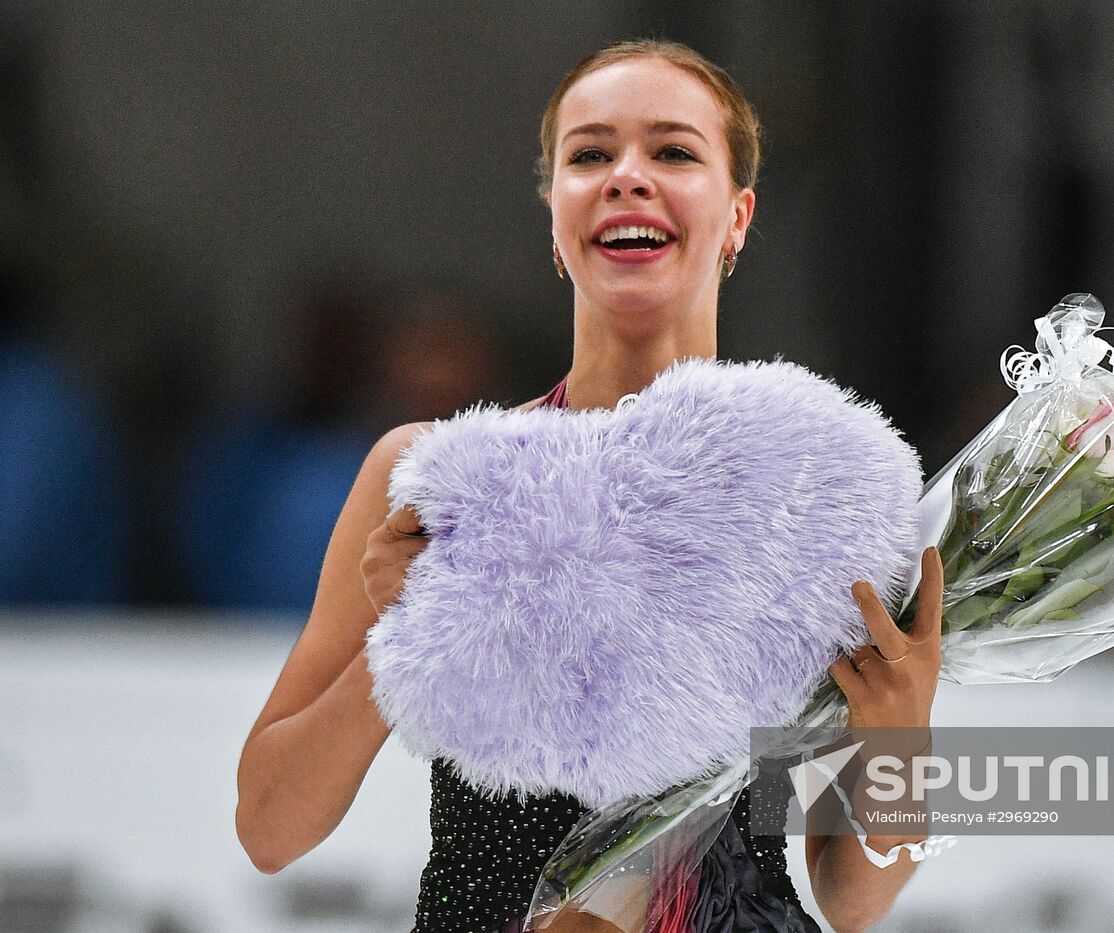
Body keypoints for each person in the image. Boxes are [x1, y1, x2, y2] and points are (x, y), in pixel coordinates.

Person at [235, 39, 944, 933]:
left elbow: (848, 895)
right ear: (557, 217)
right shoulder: (435, 480)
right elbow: (268, 827)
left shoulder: (818, 489)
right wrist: (408, 639)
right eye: (591, 154)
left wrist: (904, 739)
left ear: (737, 217)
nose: (627, 177)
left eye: (674, 151)